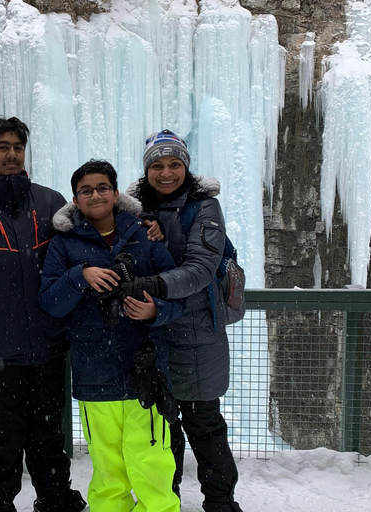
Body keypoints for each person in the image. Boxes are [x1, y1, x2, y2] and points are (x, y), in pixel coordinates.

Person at [0, 117, 86, 512]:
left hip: (47, 348)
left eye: (18, 147)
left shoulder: (49, 202)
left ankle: (55, 499)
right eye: (2, 147)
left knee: (48, 436)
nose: (11, 154)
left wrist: (146, 227)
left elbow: (87, 246)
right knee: (0, 441)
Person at [38, 159, 184, 512]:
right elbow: (51, 304)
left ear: (116, 193)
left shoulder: (144, 237)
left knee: (152, 463)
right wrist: (79, 276)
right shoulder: (64, 245)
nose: (96, 195)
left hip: (145, 372)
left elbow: (177, 296)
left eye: (103, 187)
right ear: (76, 199)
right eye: (86, 190)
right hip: (95, 374)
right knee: (107, 468)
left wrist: (155, 312)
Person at [127, 129, 243, 512]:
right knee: (163, 429)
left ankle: (221, 503)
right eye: (157, 165)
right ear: (146, 170)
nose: (166, 173)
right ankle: (167, 500)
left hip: (196, 333)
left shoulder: (204, 207)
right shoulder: (132, 208)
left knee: (203, 424)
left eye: (175, 164)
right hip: (152, 331)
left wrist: (155, 283)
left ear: (186, 166)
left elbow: (201, 268)